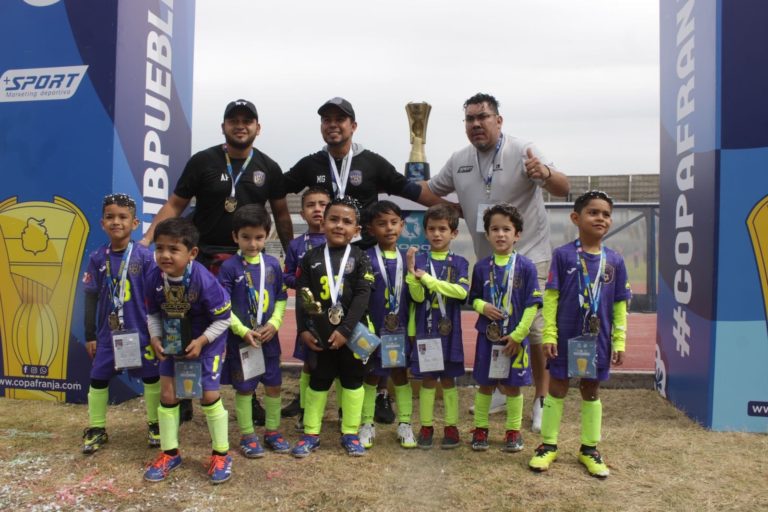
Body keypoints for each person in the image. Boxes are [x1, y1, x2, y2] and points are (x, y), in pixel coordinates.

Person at [283, 96, 444, 425]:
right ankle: (311, 393)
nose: (333, 125)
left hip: (364, 259)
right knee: (320, 320)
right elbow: (277, 187)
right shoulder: (311, 165)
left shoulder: (371, 162)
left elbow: (408, 188)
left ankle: (379, 391)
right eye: (327, 119)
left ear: (352, 126)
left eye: (339, 119)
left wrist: (448, 208)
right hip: (326, 258)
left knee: (370, 322)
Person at [422, 92, 570, 431]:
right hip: (489, 263)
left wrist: (545, 172)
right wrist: (456, 209)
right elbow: (431, 189)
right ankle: (503, 388)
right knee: (494, 323)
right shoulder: (459, 159)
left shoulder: (522, 150)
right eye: (470, 119)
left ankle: (541, 398)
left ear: (498, 121)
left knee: (533, 328)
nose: (476, 124)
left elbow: (564, 187)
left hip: (530, 255)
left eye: (483, 117)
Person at [141, 99, 290, 424]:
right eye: (234, 120)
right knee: (187, 324)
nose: (241, 126)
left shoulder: (269, 167)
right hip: (201, 259)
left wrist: (290, 254)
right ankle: (184, 394)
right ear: (224, 126)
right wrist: (147, 238)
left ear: (258, 127)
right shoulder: (202, 161)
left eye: (247, 121)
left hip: (245, 261)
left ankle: (250, 396)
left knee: (247, 325)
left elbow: (281, 214)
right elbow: (175, 204)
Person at [528, 191, 630, 478]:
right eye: (593, 212)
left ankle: (589, 449)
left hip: (598, 339)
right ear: (576, 218)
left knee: (591, 389)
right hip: (565, 338)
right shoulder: (562, 256)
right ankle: (548, 445)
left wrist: (619, 340)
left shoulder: (615, 260)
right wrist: (549, 335)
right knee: (557, 387)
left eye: (606, 214)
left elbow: (620, 304)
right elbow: (551, 298)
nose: (600, 218)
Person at [143, 218, 233, 484]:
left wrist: (202, 341)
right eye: (160, 248)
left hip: (206, 344)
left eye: (173, 249)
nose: (165, 255)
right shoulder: (153, 276)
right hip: (172, 342)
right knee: (168, 394)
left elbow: (224, 319)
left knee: (208, 395)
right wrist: (155, 337)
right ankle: (169, 453)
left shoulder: (203, 279)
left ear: (192, 253)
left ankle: (221, 454)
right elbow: (152, 314)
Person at [290, 196, 374, 458]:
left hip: (352, 334)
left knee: (353, 382)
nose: (339, 225)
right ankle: (311, 433)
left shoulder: (361, 257)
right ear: (323, 223)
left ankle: (350, 433)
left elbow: (362, 296)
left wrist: (345, 330)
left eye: (347, 222)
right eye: (334, 219)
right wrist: (303, 330)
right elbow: (302, 297)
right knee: (318, 381)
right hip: (320, 334)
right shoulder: (310, 258)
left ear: (356, 230)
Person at [81, 194, 159, 454]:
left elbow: (155, 297)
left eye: (123, 217)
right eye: (110, 217)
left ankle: (155, 424)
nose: (116, 222)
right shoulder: (97, 257)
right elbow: (90, 298)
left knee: (151, 376)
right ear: (102, 223)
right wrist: (90, 335)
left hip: (142, 332)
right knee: (98, 378)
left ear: (135, 223)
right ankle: (97, 428)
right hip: (108, 335)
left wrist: (157, 333)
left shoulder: (145, 257)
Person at [467, 204, 542, 452]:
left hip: (515, 339)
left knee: (513, 386)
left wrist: (519, 335)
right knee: (485, 384)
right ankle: (480, 428)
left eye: (506, 229)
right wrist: (482, 306)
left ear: (517, 234)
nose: (500, 234)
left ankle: (513, 431)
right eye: (495, 229)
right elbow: (472, 298)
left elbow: (533, 304)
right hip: (488, 338)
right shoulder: (481, 267)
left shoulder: (526, 266)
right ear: (487, 234)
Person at [218, 204, 290, 457]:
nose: (252, 243)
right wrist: (241, 331)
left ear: (267, 235)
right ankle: (247, 435)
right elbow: (223, 306)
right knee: (245, 388)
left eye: (259, 237)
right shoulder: (229, 267)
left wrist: (275, 324)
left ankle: (272, 431)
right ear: (235, 237)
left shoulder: (272, 264)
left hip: (268, 338)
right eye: (246, 237)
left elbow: (281, 298)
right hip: (242, 341)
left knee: (274, 385)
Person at [405, 204, 469, 449]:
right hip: (427, 330)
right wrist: (412, 274)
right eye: (431, 229)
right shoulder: (420, 260)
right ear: (425, 232)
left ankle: (451, 427)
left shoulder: (460, 262)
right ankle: (426, 426)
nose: (437, 234)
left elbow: (461, 292)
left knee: (449, 380)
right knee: (428, 380)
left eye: (443, 229)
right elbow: (418, 297)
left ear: (454, 233)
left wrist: (428, 279)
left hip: (450, 331)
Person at [359, 200, 416, 449]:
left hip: (400, 330)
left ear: (402, 225)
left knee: (400, 375)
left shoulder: (409, 259)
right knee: (371, 375)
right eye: (382, 224)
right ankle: (366, 423)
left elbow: (416, 298)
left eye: (394, 222)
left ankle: (405, 423)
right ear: (370, 229)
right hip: (373, 330)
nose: (389, 228)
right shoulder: (365, 259)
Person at [280, 187, 332, 430]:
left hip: (336, 313)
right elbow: (287, 276)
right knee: (309, 362)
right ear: (302, 213)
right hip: (308, 315)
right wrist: (303, 281)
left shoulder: (340, 241)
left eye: (323, 204)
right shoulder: (296, 245)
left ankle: (342, 410)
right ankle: (304, 407)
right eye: (311, 205)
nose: (317, 209)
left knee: (340, 360)